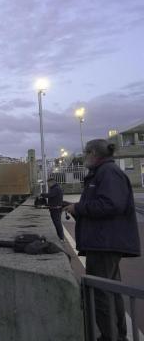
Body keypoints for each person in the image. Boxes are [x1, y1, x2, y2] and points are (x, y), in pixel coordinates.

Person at [63, 139, 141, 341]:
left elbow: (111, 204)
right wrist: (77, 209)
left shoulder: (108, 173)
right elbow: (104, 204)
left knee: (101, 293)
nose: (83, 157)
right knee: (110, 290)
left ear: (93, 153)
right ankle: (117, 335)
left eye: (85, 153)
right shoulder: (104, 173)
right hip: (104, 241)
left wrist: (78, 208)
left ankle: (110, 336)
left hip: (105, 242)